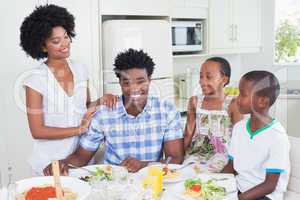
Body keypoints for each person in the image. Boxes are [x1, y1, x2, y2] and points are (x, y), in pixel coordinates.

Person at [43, 48, 185, 175]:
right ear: (120, 83)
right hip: (115, 185)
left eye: (140, 81)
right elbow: (81, 157)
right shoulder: (104, 114)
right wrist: (62, 164)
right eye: (127, 82)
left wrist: (144, 165)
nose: (134, 88)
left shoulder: (167, 111)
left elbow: (175, 158)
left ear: (149, 80)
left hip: (153, 181)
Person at [20, 4, 117, 175]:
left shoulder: (80, 69)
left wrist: (100, 101)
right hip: (48, 162)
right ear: (43, 46)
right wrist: (78, 130)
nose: (65, 44)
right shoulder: (35, 80)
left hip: (80, 159)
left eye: (66, 37)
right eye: (56, 41)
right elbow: (37, 131)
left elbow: (84, 107)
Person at [222, 71, 290, 200]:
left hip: (265, 195)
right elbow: (231, 166)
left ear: (263, 101)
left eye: (243, 94)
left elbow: (270, 185)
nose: (237, 99)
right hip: (239, 188)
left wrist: (239, 198)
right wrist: (213, 182)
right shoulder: (239, 128)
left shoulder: (278, 137)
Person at [184, 57, 242, 172]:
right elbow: (188, 134)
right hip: (194, 158)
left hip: (223, 161)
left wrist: (235, 168)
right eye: (201, 76)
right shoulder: (195, 102)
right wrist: (179, 161)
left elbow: (240, 140)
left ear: (224, 79)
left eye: (209, 77)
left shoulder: (232, 104)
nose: (202, 81)